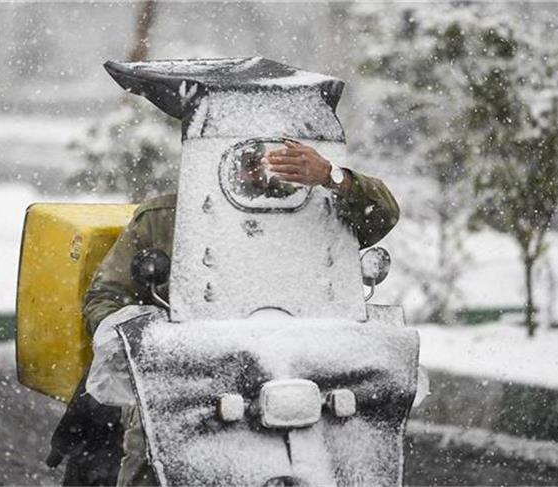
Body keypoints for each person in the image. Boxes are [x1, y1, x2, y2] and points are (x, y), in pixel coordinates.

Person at [75, 140, 400, 486]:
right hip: (189, 375)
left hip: (293, 370)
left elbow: (383, 214)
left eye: (265, 162)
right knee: (152, 453)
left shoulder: (314, 213)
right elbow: (106, 296)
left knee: (345, 456)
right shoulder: (165, 217)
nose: (254, 173)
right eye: (244, 162)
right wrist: (151, 345)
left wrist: (332, 177)